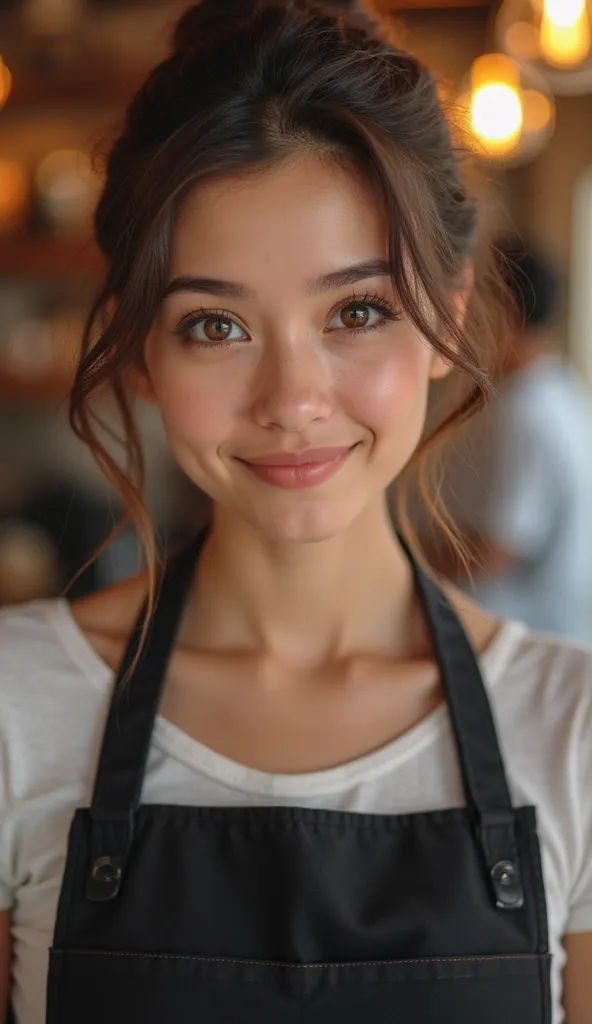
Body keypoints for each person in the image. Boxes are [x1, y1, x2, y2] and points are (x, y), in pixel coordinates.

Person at [0, 2, 590, 1022]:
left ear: (446, 321)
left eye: (356, 311)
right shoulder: (15, 706)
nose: (292, 397)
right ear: (140, 351)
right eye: (214, 324)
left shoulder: (572, 730)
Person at [427, 243, 592, 642]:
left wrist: (402, 558)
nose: (466, 319)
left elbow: (492, 552)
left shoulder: (528, 412)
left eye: (477, 299)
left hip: (521, 638)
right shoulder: (557, 389)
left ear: (505, 310)